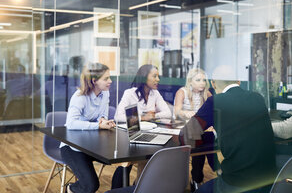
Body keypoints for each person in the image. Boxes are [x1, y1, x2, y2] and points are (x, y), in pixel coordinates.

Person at [180, 65, 276, 193]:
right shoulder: (257, 98)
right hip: (269, 184)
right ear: (239, 81)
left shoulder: (215, 101)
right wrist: (215, 133)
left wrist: (211, 134)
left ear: (213, 84)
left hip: (237, 184)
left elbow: (186, 135)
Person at [112, 64, 174, 189]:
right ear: (144, 77)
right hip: (130, 135)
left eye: (158, 76)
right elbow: (118, 116)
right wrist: (143, 117)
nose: (158, 80)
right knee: (127, 162)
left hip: (148, 134)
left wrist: (154, 115)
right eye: (154, 76)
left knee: (149, 159)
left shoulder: (155, 93)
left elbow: (168, 113)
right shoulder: (130, 93)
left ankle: (140, 187)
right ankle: (120, 189)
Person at [59, 62, 116, 193]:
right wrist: (98, 125)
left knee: (122, 163)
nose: (110, 81)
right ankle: (71, 189)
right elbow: (71, 123)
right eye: (106, 78)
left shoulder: (105, 93)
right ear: (94, 81)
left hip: (92, 146)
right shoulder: (80, 97)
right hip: (72, 147)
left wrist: (103, 120)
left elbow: (103, 114)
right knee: (91, 185)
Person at [173, 68, 214, 191]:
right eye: (198, 80)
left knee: (205, 141)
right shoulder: (182, 92)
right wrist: (186, 113)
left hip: (200, 129)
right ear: (190, 81)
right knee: (197, 140)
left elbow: (212, 113)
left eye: (204, 80)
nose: (202, 83)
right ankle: (196, 178)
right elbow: (177, 111)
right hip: (184, 128)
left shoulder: (207, 93)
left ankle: (197, 178)